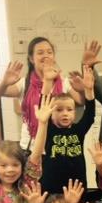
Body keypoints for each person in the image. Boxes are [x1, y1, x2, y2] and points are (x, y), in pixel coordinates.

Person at [0, 37, 84, 150]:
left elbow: (81, 101)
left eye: (49, 52)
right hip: (31, 145)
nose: (46, 55)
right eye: (40, 52)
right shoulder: (25, 83)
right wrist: (4, 82)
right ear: (31, 58)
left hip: (56, 146)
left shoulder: (63, 82)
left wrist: (82, 89)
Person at [30, 65, 96, 194]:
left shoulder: (78, 130)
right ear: (51, 113)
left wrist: (89, 90)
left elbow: (90, 114)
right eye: (59, 110)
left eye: (69, 109)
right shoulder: (48, 129)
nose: (65, 113)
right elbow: (44, 105)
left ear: (74, 113)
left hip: (76, 185)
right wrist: (47, 82)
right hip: (51, 186)